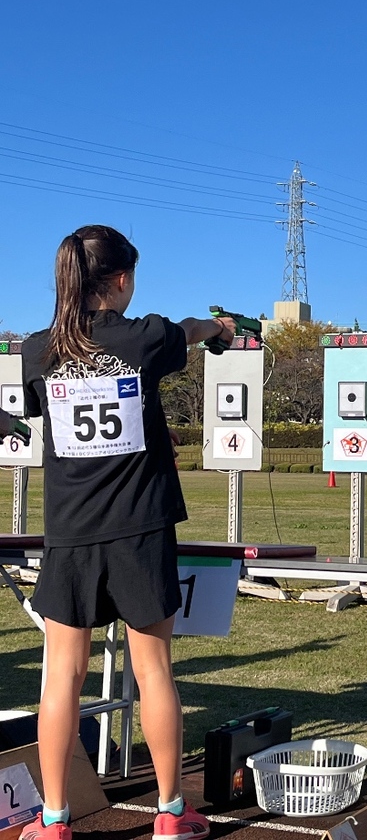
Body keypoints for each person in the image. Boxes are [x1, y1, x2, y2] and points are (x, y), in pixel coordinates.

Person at [20, 225, 236, 840]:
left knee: (60, 674)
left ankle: (54, 819)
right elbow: (188, 332)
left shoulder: (39, 350)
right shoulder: (143, 337)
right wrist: (214, 329)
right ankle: (170, 812)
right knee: (154, 671)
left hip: (70, 531)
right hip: (140, 529)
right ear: (119, 280)